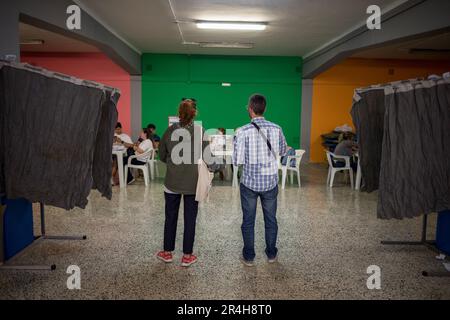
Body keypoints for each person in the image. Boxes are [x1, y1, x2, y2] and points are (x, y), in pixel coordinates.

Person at [233, 94, 287, 266]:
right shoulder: (277, 128)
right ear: (264, 108)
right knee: (271, 219)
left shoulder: (242, 131)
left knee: (248, 221)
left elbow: (237, 160)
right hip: (270, 182)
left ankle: (249, 257)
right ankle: (271, 254)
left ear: (250, 109)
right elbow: (283, 150)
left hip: (249, 183)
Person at [156, 99, 208, 267]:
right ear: (195, 114)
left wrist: (173, 164)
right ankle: (187, 255)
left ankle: (167, 253)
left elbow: (161, 154)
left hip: (172, 181)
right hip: (193, 183)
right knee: (190, 219)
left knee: (170, 217)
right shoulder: (200, 131)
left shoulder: (169, 130)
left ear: (179, 113)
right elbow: (209, 156)